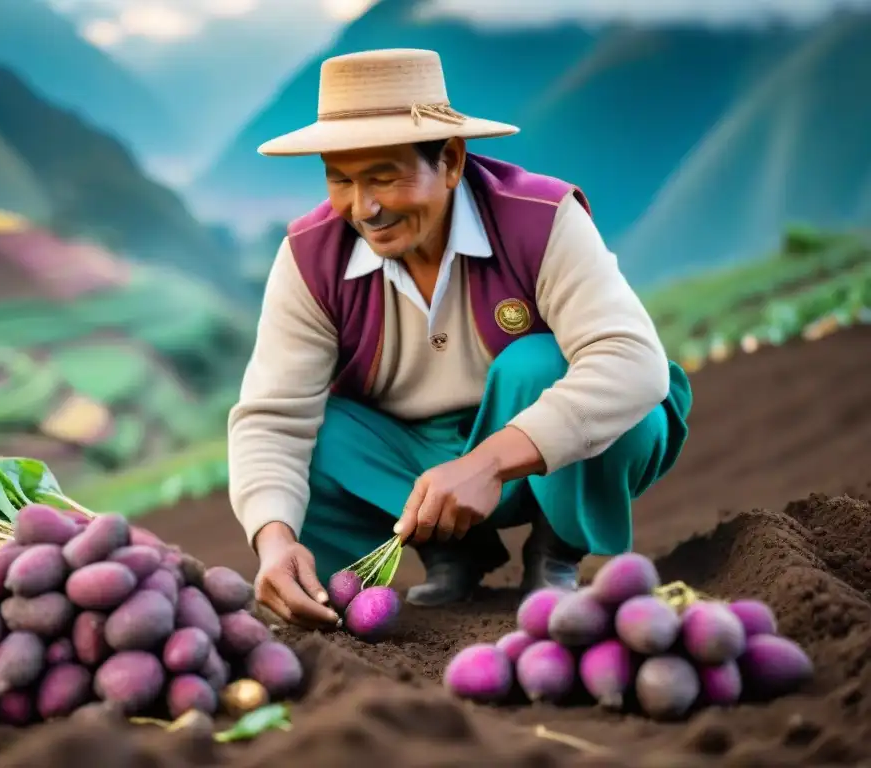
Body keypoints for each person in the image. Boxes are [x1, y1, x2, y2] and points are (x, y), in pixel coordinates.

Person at [227, 48, 692, 628]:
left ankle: (556, 548)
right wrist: (273, 539)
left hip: (544, 457)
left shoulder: (540, 217)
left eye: (383, 178)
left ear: (449, 161)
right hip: (409, 464)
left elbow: (632, 361)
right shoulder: (309, 257)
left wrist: (489, 464)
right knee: (319, 431)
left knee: (540, 365)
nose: (363, 207)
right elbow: (272, 418)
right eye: (340, 180)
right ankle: (451, 549)